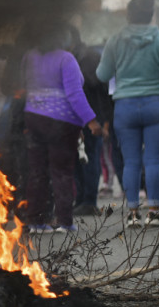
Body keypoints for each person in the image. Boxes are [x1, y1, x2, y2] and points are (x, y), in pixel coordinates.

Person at [97, 0, 159, 227]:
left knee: (131, 161)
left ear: (128, 15)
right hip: (158, 104)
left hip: (125, 106)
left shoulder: (115, 40)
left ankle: (132, 213)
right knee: (153, 160)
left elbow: (102, 75)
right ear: (151, 15)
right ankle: (154, 211)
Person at [22, 25, 103, 234]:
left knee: (36, 172)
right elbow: (75, 94)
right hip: (61, 123)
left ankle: (35, 221)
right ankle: (64, 221)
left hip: (33, 118)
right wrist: (91, 121)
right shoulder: (66, 59)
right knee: (62, 172)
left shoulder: (29, 57)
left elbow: (23, 85)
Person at [69, 27, 113, 217]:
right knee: (78, 160)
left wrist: (102, 120)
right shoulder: (76, 57)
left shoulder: (89, 58)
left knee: (90, 157)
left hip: (91, 115)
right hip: (76, 116)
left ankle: (88, 201)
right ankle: (81, 200)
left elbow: (100, 87)